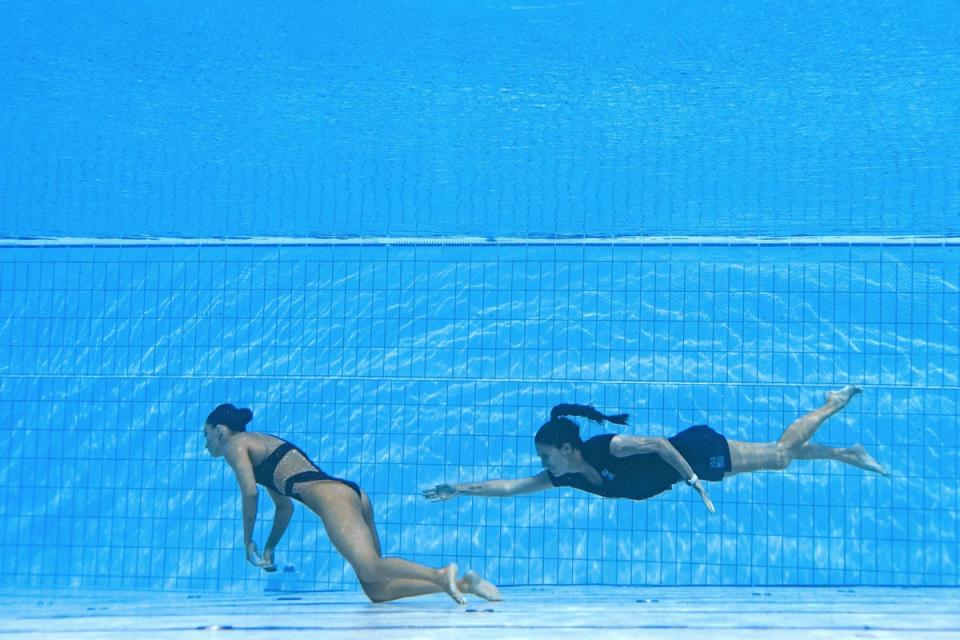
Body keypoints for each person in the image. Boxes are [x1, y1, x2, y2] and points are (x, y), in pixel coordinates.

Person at [203, 403, 500, 604]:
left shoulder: (235, 444)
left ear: (220, 431)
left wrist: (247, 541)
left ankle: (440, 573)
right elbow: (284, 508)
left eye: (206, 436)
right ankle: (464, 584)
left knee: (371, 567)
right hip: (351, 495)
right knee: (378, 589)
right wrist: (269, 547)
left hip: (332, 497)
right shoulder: (260, 447)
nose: (207, 445)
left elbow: (249, 492)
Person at [424, 386, 889, 511]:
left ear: (566, 447)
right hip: (693, 468)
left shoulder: (611, 447)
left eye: (545, 455)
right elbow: (508, 488)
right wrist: (460, 489)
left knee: (781, 456)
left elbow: (663, 445)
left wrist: (693, 481)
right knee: (777, 456)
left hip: (695, 451)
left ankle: (831, 403)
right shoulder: (564, 475)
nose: (541, 465)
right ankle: (850, 453)